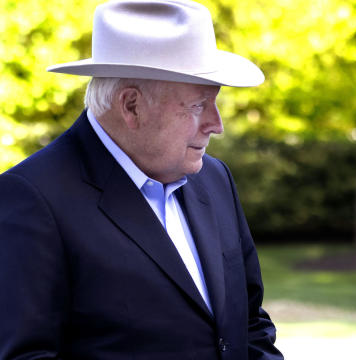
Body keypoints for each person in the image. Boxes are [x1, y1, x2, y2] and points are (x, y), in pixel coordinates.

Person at [0, 1, 283, 359]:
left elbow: (249, 327)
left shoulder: (214, 178)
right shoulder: (30, 199)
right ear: (131, 105)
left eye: (214, 104)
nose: (216, 124)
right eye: (197, 106)